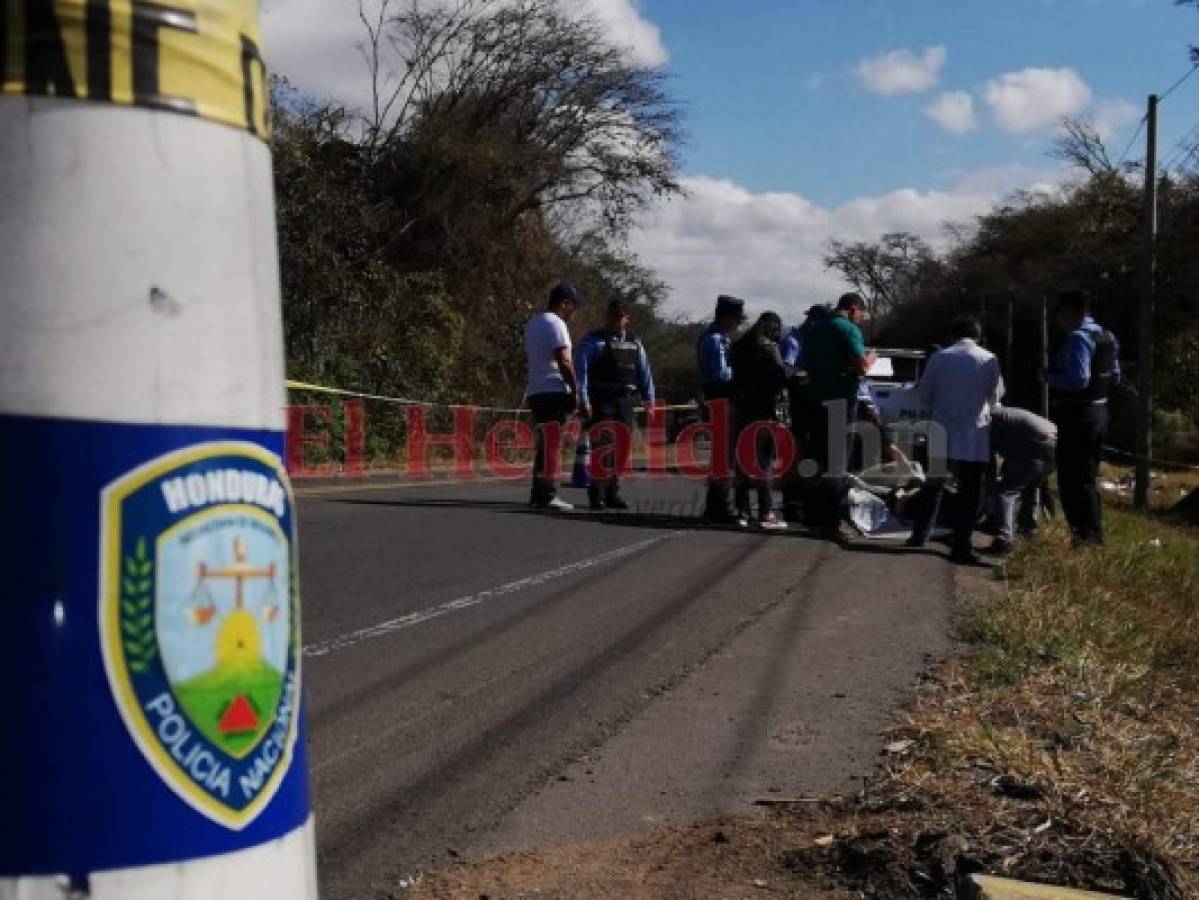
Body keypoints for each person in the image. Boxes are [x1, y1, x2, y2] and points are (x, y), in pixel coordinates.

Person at [907, 316, 1004, 565]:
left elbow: (923, 393)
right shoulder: (989, 358)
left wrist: (940, 408)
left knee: (933, 486)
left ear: (952, 335)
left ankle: (919, 535)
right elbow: (994, 397)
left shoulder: (940, 357)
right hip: (975, 431)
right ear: (978, 336)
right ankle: (961, 545)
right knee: (970, 492)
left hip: (942, 428)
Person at [1046, 291, 1121, 547]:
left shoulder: (1077, 338)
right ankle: (1093, 533)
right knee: (1088, 477)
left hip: (1077, 414)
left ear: (1071, 312)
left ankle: (1082, 535)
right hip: (1100, 411)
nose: (1059, 321)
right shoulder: (1106, 336)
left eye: (1060, 315)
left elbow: (1078, 379)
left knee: (1070, 478)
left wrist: (1048, 377)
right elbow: (1115, 376)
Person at [799, 292, 876, 541]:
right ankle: (833, 522)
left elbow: (804, 363)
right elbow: (861, 366)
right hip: (841, 402)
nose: (861, 319)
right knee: (837, 462)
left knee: (816, 459)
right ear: (854, 309)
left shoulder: (813, 330)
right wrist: (871, 358)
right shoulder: (849, 329)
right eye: (862, 314)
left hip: (815, 400)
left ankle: (812, 516)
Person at [575, 299, 656, 510]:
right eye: (612, 315)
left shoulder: (635, 343)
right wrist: (582, 399)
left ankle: (612, 492)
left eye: (619, 316)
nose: (615, 320)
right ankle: (597, 493)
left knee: (621, 450)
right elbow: (581, 372)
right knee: (604, 448)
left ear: (627, 319)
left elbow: (644, 372)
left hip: (626, 402)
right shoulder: (593, 341)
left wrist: (650, 399)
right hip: (602, 401)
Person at [524, 281, 584, 510]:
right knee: (553, 444)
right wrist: (575, 390)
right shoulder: (556, 324)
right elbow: (564, 360)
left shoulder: (534, 322)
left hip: (536, 389)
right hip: (553, 389)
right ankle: (547, 494)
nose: (574, 311)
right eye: (573, 306)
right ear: (564, 303)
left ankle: (538, 492)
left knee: (545, 443)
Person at [731, 311, 788, 529]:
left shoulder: (738, 347)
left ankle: (742, 510)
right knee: (763, 462)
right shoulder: (769, 348)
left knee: (743, 461)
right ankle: (765, 512)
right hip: (765, 412)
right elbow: (780, 379)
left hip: (742, 410)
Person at [697, 295, 747, 524]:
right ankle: (719, 506)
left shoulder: (718, 338)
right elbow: (720, 374)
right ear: (726, 318)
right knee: (723, 455)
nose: (737, 324)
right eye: (736, 319)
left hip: (717, 397)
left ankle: (716, 504)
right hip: (720, 397)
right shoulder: (716, 340)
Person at [779, 303, 830, 523]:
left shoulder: (811, 339)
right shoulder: (794, 339)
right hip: (799, 400)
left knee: (809, 453)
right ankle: (793, 503)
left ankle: (803, 503)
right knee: (800, 451)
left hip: (809, 400)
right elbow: (788, 368)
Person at [987, 405, 1057, 554]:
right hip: (1056, 444)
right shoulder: (1003, 414)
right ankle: (1028, 530)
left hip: (1035, 444)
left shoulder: (985, 421)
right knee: (1031, 487)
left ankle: (1004, 539)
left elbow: (989, 465)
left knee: (1005, 491)